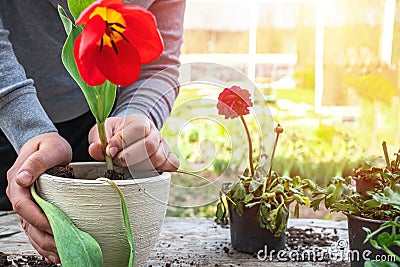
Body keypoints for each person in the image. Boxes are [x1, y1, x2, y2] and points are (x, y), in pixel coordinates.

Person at [0, 0, 184, 263]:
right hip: (8, 113)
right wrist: (27, 128)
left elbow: (158, 61)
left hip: (98, 117)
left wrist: (136, 114)